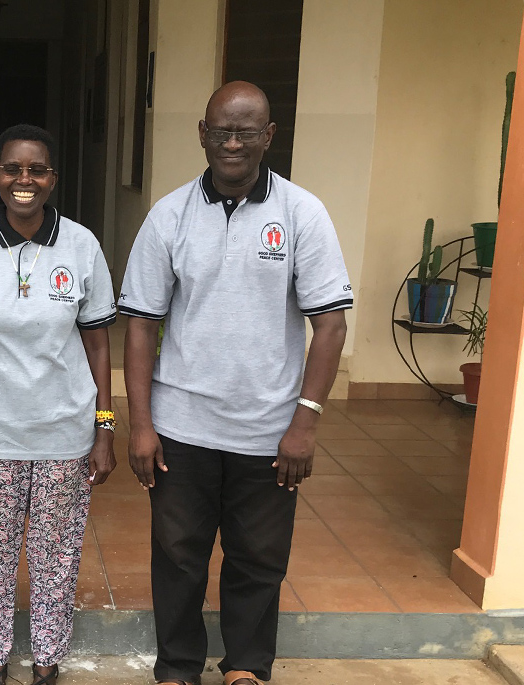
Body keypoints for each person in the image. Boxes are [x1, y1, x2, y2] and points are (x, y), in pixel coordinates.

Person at [119, 81, 350, 685]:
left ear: (269, 136)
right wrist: (140, 424)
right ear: (201, 133)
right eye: (220, 130)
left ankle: (245, 666)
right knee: (177, 558)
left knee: (259, 559)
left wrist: (305, 422)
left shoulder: (303, 214)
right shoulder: (168, 215)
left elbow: (329, 324)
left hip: (269, 429)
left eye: (246, 131)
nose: (232, 142)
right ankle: (177, 669)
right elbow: (141, 325)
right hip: (181, 427)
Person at [0, 124, 118, 685]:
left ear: (52, 178)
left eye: (37, 170)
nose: (24, 181)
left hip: (64, 431)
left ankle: (46, 661)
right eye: (12, 169)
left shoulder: (82, 245)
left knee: (56, 557)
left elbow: (97, 341)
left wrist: (104, 427)